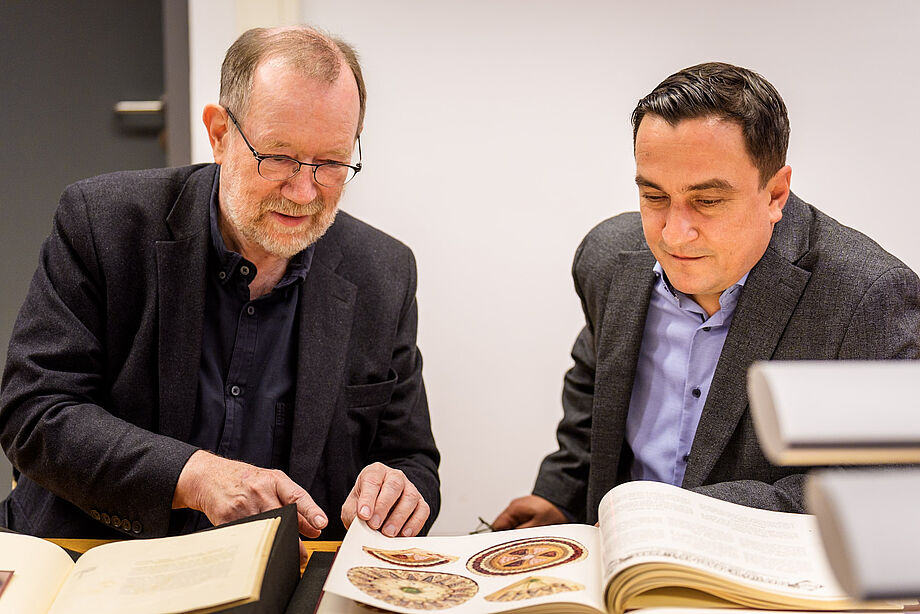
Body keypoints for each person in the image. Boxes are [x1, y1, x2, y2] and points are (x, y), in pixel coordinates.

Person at [0, 26, 439, 544]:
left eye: (331, 163)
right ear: (219, 134)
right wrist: (191, 476)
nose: (304, 191)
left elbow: (412, 458)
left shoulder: (383, 272)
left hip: (281, 574)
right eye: (278, 156)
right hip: (94, 551)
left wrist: (400, 488)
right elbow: (35, 411)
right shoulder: (103, 223)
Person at [493, 61, 920, 529]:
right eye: (654, 197)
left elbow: (877, 484)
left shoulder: (869, 297)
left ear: (776, 193)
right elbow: (595, 405)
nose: (675, 235)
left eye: (708, 201)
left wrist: (675, 517)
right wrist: (561, 496)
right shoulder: (607, 258)